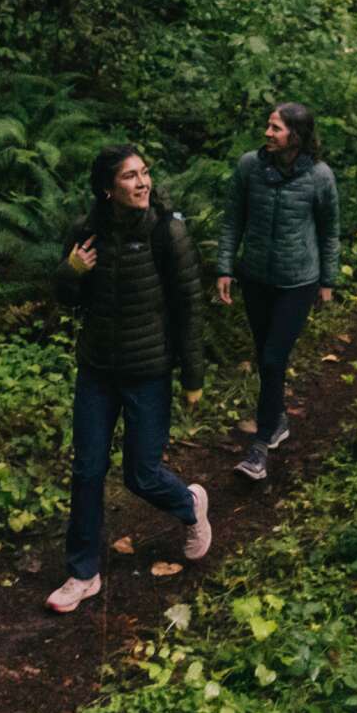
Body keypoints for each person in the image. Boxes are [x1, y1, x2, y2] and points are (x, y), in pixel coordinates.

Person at [46, 144, 214, 612]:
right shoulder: (87, 233)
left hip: (148, 372)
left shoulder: (167, 231)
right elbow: (63, 295)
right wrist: (71, 270)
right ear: (107, 188)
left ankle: (189, 506)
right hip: (97, 370)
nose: (142, 184)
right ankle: (83, 573)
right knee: (87, 471)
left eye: (144, 174)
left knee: (141, 474)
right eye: (129, 177)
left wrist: (192, 375)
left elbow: (189, 306)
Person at [216, 101, 340, 481]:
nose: (267, 133)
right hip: (255, 278)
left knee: (272, 359)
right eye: (268, 127)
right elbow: (233, 218)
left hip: (297, 281)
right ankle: (279, 418)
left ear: (296, 136)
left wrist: (328, 280)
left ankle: (259, 448)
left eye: (276, 128)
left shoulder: (319, 176)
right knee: (267, 358)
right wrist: (225, 267)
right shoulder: (249, 167)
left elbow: (329, 230)